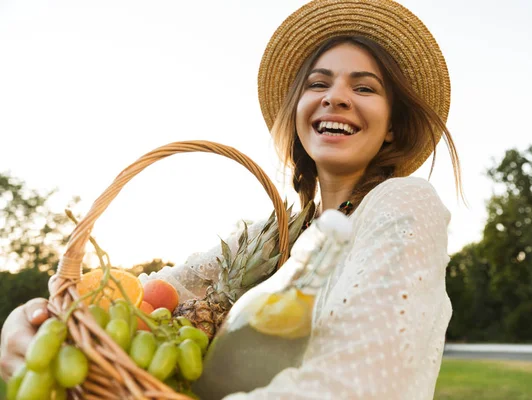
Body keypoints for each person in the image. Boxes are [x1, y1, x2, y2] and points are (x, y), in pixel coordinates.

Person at [0, 0, 465, 398]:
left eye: (364, 88)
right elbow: (140, 298)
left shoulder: (403, 202)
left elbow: (365, 383)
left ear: (393, 129)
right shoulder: (271, 235)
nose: (336, 97)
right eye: (317, 84)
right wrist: (38, 319)